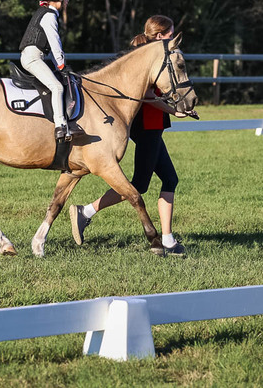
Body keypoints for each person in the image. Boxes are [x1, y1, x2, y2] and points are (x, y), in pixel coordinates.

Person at [68, 15, 196, 256]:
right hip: (147, 124)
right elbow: (146, 95)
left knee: (169, 179)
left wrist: (176, 105)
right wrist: (173, 110)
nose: (172, 38)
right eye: (170, 34)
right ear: (159, 36)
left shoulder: (152, 53)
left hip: (152, 124)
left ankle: (168, 238)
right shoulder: (147, 55)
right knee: (139, 184)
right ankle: (86, 212)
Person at [19, 0, 84, 141]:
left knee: (62, 81)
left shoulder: (45, 12)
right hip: (33, 57)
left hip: (37, 56)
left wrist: (59, 65)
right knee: (57, 87)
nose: (68, 0)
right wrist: (62, 65)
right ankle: (60, 126)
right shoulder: (49, 15)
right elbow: (55, 44)